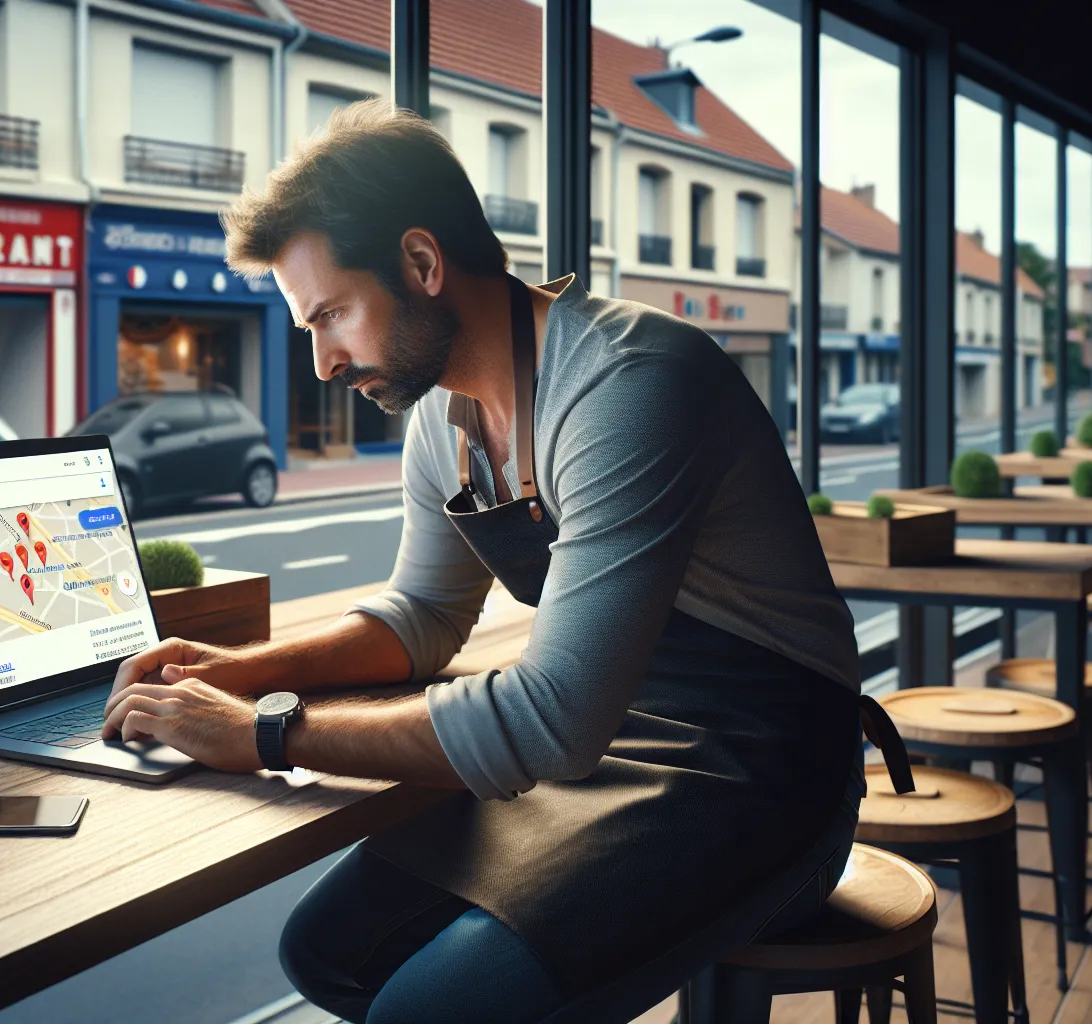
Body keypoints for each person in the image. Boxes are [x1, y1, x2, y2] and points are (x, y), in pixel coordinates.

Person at [101, 98, 882, 1023]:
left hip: (770, 770)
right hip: (611, 736)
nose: (320, 363)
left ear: (423, 264)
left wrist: (265, 734)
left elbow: (550, 721)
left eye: (334, 315)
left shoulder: (628, 386)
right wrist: (235, 671)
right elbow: (424, 616)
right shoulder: (442, 414)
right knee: (324, 951)